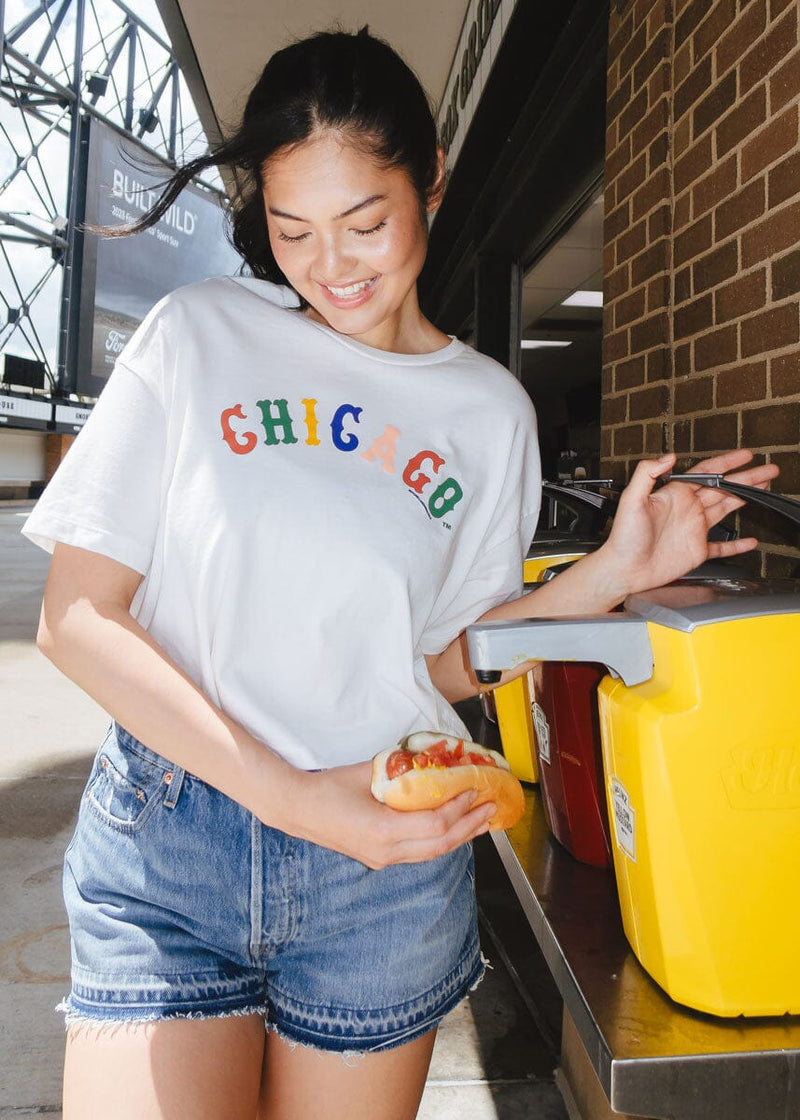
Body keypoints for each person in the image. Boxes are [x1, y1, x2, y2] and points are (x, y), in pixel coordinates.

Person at [22, 27, 776, 1120]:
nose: (331, 266)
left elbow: (443, 660)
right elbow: (76, 617)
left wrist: (614, 567)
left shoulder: (487, 414)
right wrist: (294, 802)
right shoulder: (197, 335)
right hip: (170, 844)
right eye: (293, 232)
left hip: (381, 866)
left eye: (365, 223)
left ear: (429, 180)